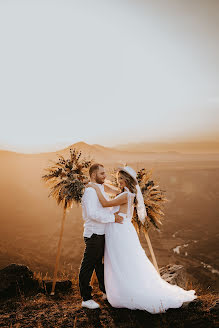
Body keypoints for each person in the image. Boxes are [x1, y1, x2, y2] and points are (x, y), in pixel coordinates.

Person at [87, 165, 197, 313]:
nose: (119, 181)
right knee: (122, 260)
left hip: (119, 232)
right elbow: (108, 189)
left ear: (127, 180)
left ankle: (125, 290)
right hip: (122, 230)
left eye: (121, 178)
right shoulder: (126, 192)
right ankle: (120, 287)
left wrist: (93, 188)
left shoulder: (126, 195)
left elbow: (105, 203)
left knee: (121, 261)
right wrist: (96, 184)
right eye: (118, 178)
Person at [79, 163, 124, 309]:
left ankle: (105, 292)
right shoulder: (90, 192)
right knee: (88, 265)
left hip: (101, 233)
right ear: (93, 175)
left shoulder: (98, 188)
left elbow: (103, 209)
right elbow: (92, 214)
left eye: (105, 173)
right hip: (94, 234)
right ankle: (86, 299)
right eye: (102, 173)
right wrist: (113, 218)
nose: (105, 176)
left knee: (100, 265)